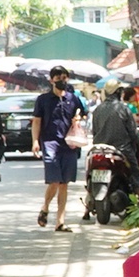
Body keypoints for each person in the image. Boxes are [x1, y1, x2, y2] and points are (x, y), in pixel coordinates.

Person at [34, 66, 83, 231]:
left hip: (69, 144)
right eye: (58, 78)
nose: (62, 81)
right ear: (51, 80)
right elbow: (37, 121)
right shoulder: (43, 100)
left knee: (64, 183)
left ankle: (60, 222)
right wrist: (35, 141)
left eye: (64, 77)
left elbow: (80, 114)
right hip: (49, 143)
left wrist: (78, 119)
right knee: (54, 180)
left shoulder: (73, 99)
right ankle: (45, 207)